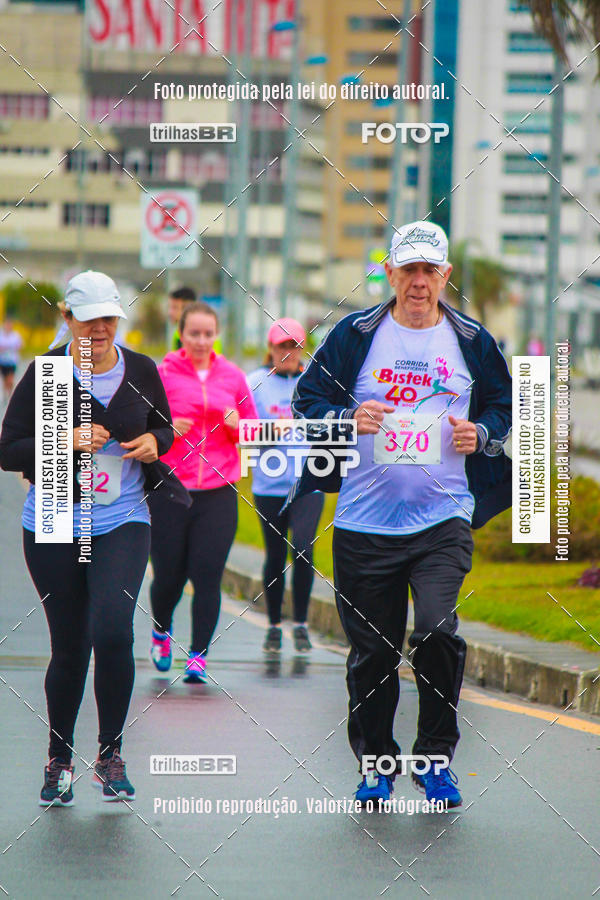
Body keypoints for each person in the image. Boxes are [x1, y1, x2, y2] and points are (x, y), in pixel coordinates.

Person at [288, 221, 512, 809]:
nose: (418, 281)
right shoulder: (356, 334)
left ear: (446, 275)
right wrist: (346, 418)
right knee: (374, 655)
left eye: (429, 270)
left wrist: (481, 432)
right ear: (388, 272)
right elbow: (305, 400)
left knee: (437, 630)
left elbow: (502, 408)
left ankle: (436, 759)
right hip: (364, 525)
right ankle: (377, 763)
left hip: (443, 519)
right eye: (407, 269)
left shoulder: (473, 340)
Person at [0, 270, 186, 806]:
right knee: (71, 645)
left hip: (121, 518)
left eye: (109, 318)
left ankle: (110, 754)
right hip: (56, 515)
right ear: (67, 319)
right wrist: (64, 438)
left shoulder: (141, 371)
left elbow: (166, 430)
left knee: (112, 629)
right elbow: (9, 451)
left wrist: (154, 441)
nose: (100, 329)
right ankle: (59, 759)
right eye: (89, 319)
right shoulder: (47, 375)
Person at [148, 301, 258, 682]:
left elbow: (253, 431)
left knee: (207, 574)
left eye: (208, 334)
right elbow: (143, 427)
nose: (201, 340)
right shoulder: (161, 374)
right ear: (181, 333)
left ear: (217, 335)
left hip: (218, 489)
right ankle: (161, 631)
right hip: (170, 488)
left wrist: (233, 426)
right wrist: (165, 427)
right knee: (168, 576)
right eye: (193, 333)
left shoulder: (233, 377)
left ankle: (198, 656)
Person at [247, 318, 324, 654]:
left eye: (294, 346)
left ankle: (302, 624)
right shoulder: (253, 383)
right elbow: (241, 431)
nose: (288, 352)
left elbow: (331, 421)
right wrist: (269, 429)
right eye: (282, 346)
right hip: (269, 484)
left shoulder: (317, 381)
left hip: (309, 482)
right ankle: (275, 625)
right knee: (275, 556)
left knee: (304, 549)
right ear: (271, 348)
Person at [0, 317, 23, 401]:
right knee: (5, 379)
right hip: (3, 361)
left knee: (10, 379)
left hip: (12, 360)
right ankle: (5, 393)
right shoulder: (1, 335)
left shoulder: (15, 335)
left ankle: (10, 394)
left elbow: (20, 346)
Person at [167, 285, 196, 350]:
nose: (170, 313)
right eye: (170, 307)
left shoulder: (201, 335)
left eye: (174, 307)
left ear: (187, 308)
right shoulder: (178, 333)